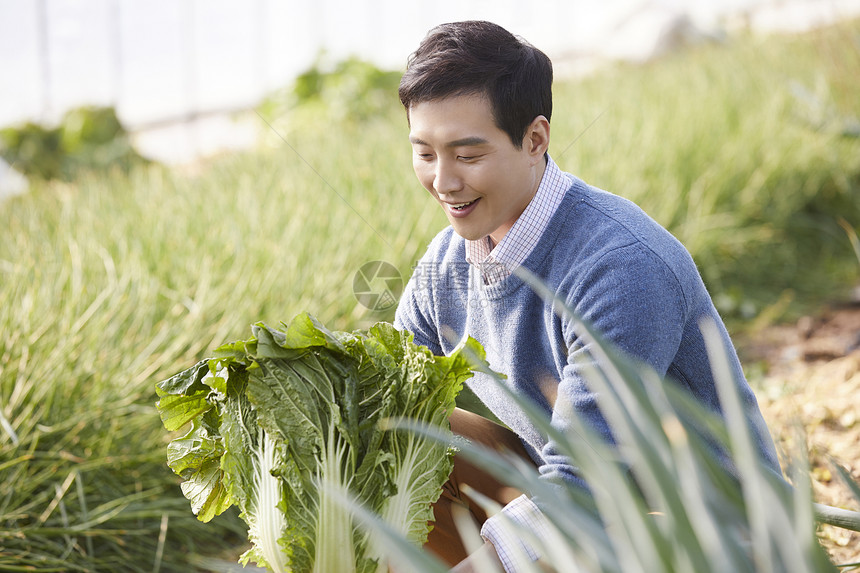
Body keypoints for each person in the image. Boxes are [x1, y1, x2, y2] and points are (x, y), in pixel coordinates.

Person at [393, 20, 782, 572]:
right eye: (425, 153)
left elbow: (585, 483)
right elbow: (380, 385)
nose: (444, 181)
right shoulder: (448, 261)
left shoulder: (622, 264)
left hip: (712, 537)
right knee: (393, 428)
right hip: (588, 506)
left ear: (535, 140)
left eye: (467, 154)